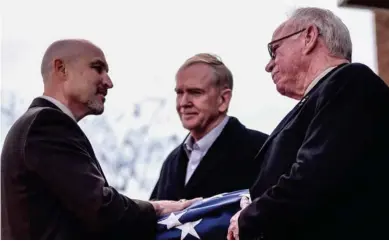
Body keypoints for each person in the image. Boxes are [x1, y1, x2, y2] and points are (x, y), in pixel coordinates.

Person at [1, 39, 198, 239]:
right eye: (97, 68)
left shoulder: (36, 125)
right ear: (61, 69)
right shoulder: (46, 124)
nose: (108, 82)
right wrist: (156, 209)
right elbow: (99, 209)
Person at [227, 7, 389, 240]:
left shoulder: (351, 82)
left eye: (274, 50)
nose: (268, 65)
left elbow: (315, 175)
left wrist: (251, 217)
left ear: (309, 37)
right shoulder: (323, 98)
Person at [150, 53, 268, 201]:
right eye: (180, 93)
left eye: (195, 92)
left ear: (223, 99)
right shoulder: (172, 161)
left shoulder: (262, 150)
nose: (184, 102)